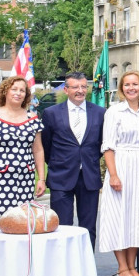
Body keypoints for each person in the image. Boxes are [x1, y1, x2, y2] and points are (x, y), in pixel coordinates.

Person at [97, 70, 139, 276]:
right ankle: (122, 268)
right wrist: (113, 175)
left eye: (135, 84)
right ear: (121, 88)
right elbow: (108, 146)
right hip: (121, 167)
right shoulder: (114, 112)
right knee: (118, 217)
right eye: (127, 84)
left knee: (136, 219)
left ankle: (133, 267)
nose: (131, 88)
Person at [41, 72, 106, 247]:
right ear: (66, 89)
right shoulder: (51, 113)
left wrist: (87, 159)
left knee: (88, 227)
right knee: (62, 227)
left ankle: (87, 263)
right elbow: (45, 145)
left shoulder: (100, 113)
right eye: (75, 87)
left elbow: (101, 143)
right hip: (61, 176)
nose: (80, 90)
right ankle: (63, 263)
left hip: (89, 176)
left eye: (83, 86)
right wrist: (61, 162)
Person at [0, 76, 46, 228]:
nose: (18, 93)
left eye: (22, 90)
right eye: (14, 89)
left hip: (25, 180)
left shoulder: (32, 118)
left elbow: (38, 150)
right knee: (0, 222)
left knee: (24, 222)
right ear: (5, 91)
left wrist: (41, 178)